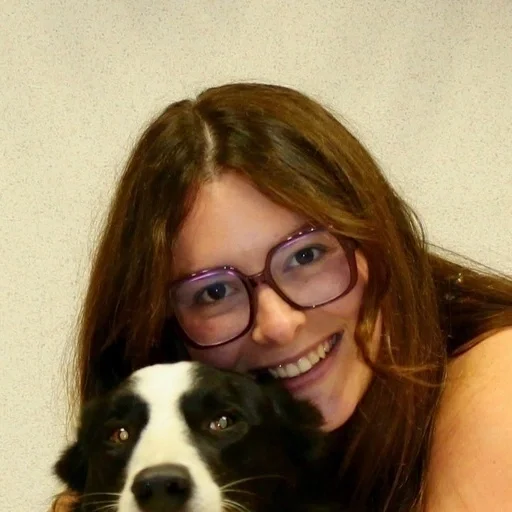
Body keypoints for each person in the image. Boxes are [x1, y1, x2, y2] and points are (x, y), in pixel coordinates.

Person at [51, 82, 512, 511]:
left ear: (376, 242)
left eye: (306, 255)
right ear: (162, 329)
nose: (278, 324)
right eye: (214, 291)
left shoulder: (496, 379)